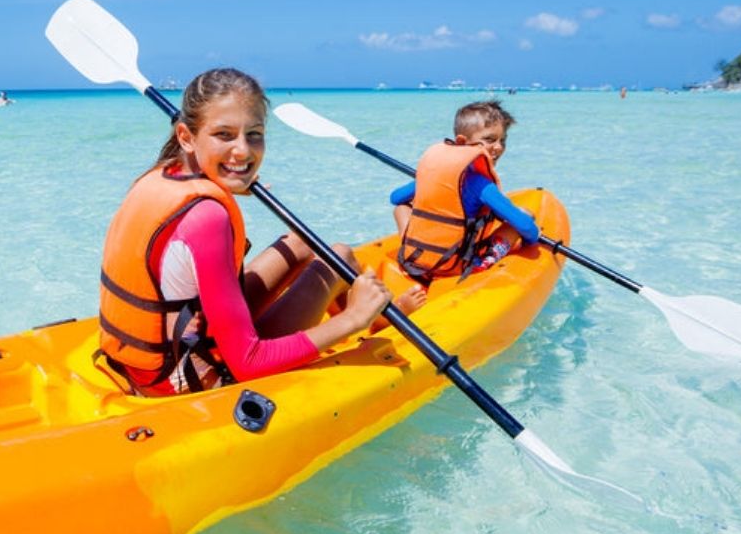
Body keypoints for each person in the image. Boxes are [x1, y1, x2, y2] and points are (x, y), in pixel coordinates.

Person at [98, 68, 396, 396]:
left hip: (150, 362)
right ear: (186, 136)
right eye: (224, 135)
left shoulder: (161, 175)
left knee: (301, 243)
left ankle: (363, 313)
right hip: (192, 379)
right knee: (339, 256)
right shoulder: (207, 216)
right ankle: (364, 320)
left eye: (254, 134)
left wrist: (226, 180)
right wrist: (352, 319)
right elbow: (248, 363)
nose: (243, 150)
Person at [390, 100, 539, 287]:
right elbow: (525, 226)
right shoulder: (481, 184)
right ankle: (484, 262)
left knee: (401, 208)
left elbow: (396, 198)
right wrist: (533, 238)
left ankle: (410, 244)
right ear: (461, 141)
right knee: (526, 214)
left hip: (415, 259)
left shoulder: (435, 172)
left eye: (503, 140)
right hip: (457, 266)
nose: (499, 147)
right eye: (490, 139)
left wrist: (423, 180)